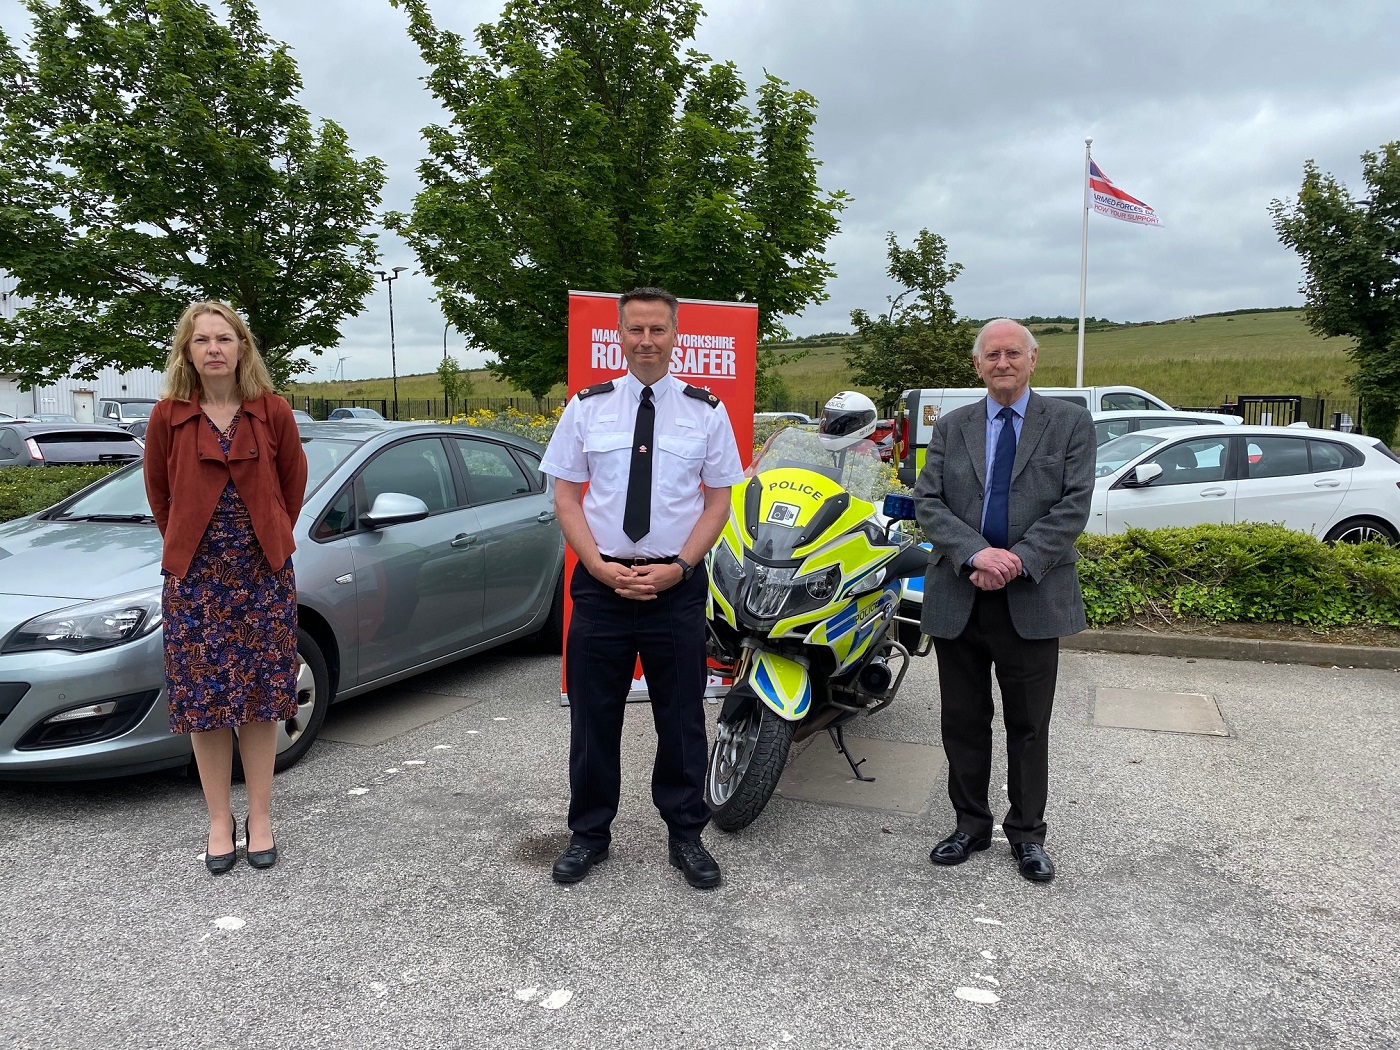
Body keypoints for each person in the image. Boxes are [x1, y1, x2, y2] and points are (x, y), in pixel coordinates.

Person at [539, 286, 745, 889]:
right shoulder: (587, 407)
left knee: (681, 720)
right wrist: (597, 566)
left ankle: (686, 835)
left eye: (658, 330)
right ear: (619, 335)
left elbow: (718, 502)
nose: (647, 341)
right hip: (601, 585)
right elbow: (565, 497)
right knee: (593, 718)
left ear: (675, 335)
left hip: (674, 586)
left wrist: (681, 566)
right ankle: (588, 835)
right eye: (636, 330)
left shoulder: (706, 411)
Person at [912, 318, 1094, 883]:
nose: (1003, 363)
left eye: (1013, 353)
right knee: (963, 721)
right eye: (992, 355)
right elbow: (928, 501)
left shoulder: (1069, 422)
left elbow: (1073, 505)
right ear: (978, 365)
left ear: (1033, 359)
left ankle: (1027, 834)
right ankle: (970, 825)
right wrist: (975, 554)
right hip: (959, 593)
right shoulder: (953, 426)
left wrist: (1015, 559)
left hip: (1032, 596)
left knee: (1029, 725)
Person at [143, 301, 308, 874]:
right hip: (195, 584)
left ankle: (260, 817)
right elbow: (159, 494)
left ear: (242, 349)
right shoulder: (166, 416)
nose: (214, 348)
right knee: (204, 706)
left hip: (263, 579)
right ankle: (219, 821)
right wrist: (190, 545)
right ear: (187, 353)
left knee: (260, 701)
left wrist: (271, 535)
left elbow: (292, 484)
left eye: (224, 338)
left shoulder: (273, 411)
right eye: (202, 340)